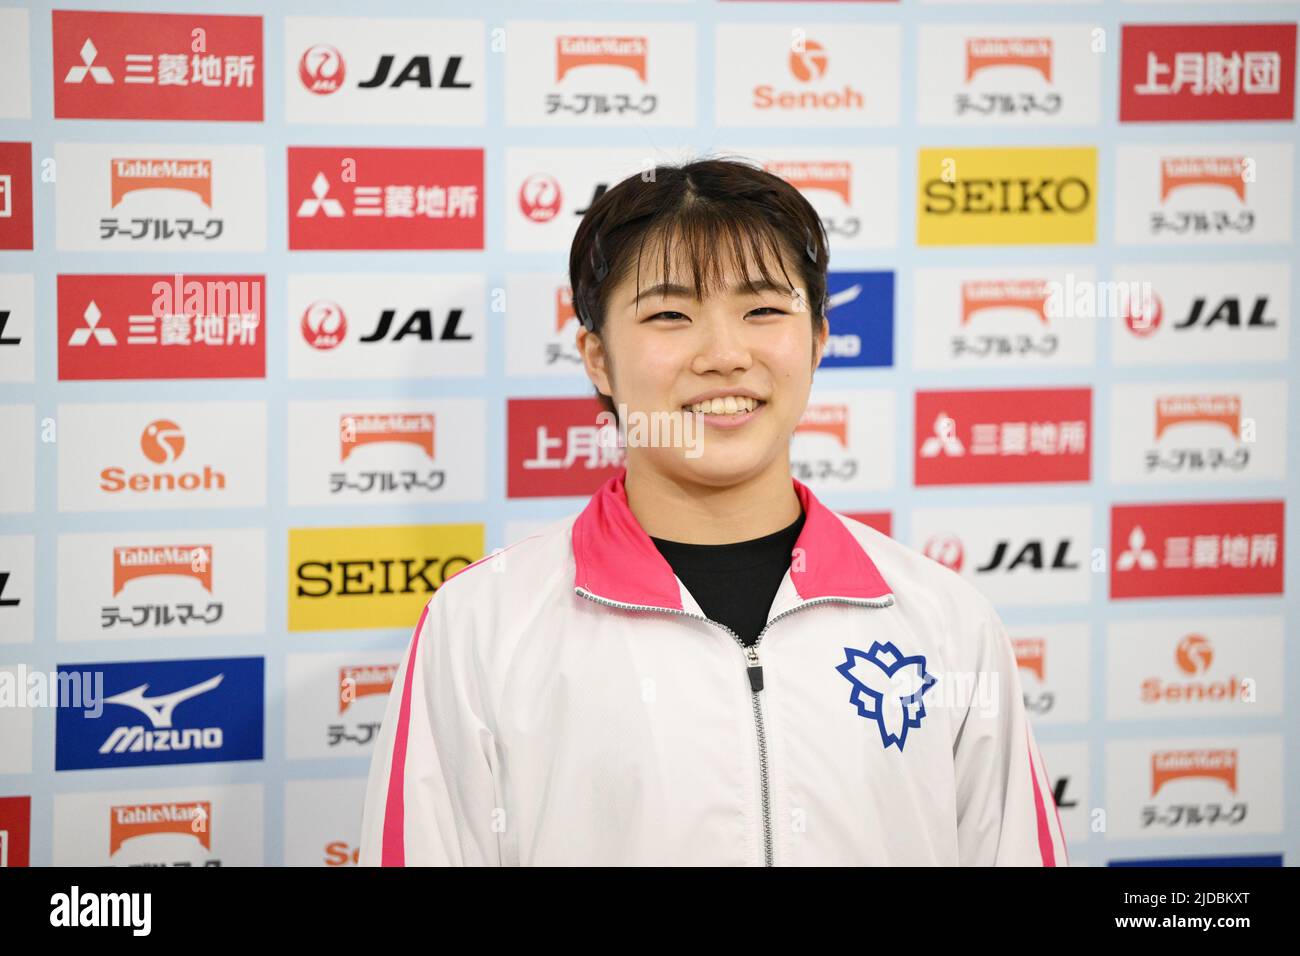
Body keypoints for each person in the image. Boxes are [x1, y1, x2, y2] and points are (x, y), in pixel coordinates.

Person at [359, 156, 1067, 866]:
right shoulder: (482, 626)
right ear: (597, 359)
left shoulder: (945, 620)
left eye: (762, 310)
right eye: (670, 314)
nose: (725, 355)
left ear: (819, 339)